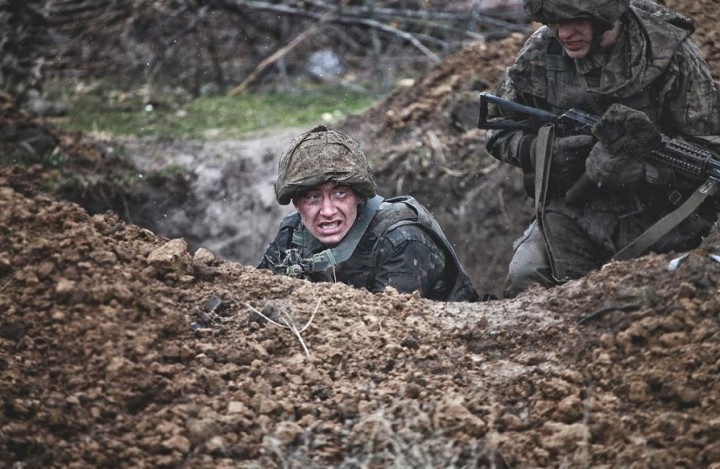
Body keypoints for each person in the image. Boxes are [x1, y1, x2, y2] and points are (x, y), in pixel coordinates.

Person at [485, 0, 720, 298]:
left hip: (663, 220)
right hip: (574, 215)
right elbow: (498, 127)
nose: (564, 33)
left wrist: (643, 170)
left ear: (606, 16)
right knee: (526, 278)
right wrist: (543, 150)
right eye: (553, 22)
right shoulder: (540, 53)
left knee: (659, 299)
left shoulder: (669, 53)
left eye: (575, 21)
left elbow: (711, 151)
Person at [258, 125, 492, 302]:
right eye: (313, 197)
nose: (327, 211)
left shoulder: (401, 238)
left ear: (359, 196)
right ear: (296, 203)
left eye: (340, 193)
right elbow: (254, 293)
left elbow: (387, 333)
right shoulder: (292, 234)